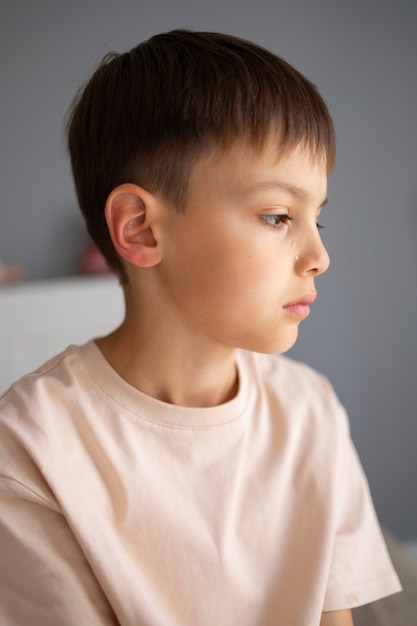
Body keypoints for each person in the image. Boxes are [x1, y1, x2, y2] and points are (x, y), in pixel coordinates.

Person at [0, 30, 401, 626]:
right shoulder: (31, 445)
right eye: (278, 216)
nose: (319, 255)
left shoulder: (311, 410)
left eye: (318, 219)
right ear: (140, 229)